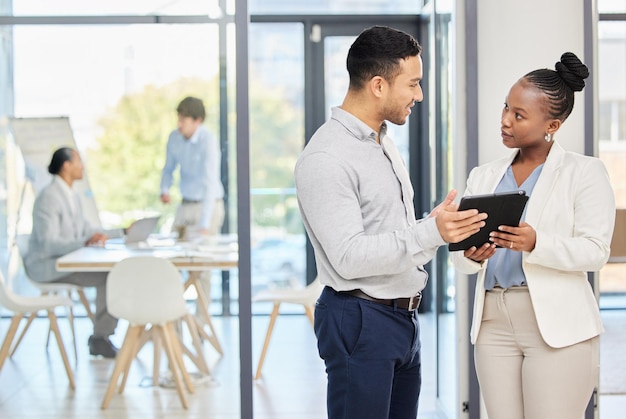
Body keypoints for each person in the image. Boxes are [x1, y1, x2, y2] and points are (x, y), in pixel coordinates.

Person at [294, 26, 488, 419]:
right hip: (361, 318)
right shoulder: (326, 158)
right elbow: (349, 256)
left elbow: (385, 232)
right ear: (379, 85)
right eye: (413, 84)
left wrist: (432, 226)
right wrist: (430, 232)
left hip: (402, 319)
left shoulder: (382, 140)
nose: (419, 94)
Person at [450, 52, 616, 419]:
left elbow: (595, 251)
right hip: (493, 322)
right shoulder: (483, 175)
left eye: (518, 115)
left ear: (552, 125)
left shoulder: (585, 172)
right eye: (506, 108)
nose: (505, 121)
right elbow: (460, 259)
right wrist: (470, 255)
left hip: (556, 326)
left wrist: (536, 242)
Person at [24, 147, 120, 358]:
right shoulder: (49, 197)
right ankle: (100, 338)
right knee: (110, 276)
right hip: (47, 266)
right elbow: (49, 244)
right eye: (78, 161)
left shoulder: (72, 197)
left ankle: (101, 337)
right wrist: (84, 242)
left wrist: (121, 232)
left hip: (65, 262)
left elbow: (88, 232)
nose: (82, 166)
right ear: (66, 166)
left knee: (112, 274)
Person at [160, 96, 225, 238]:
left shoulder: (208, 141)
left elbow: (210, 182)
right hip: (186, 204)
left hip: (209, 205)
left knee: (204, 255)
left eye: (183, 120)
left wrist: (205, 224)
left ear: (198, 121)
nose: (179, 124)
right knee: (176, 248)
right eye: (179, 119)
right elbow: (168, 168)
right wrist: (165, 189)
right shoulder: (174, 138)